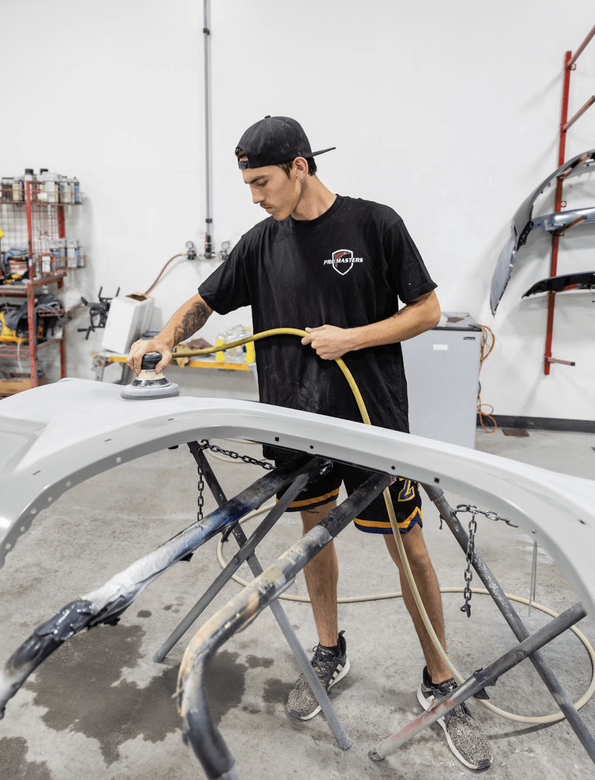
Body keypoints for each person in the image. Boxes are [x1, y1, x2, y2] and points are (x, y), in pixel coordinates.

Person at [127, 115, 492, 771]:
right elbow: (206, 302)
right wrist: (163, 341)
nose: (256, 195)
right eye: (247, 183)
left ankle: (440, 675)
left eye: (262, 181)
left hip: (371, 421)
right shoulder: (261, 242)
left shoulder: (374, 224)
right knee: (313, 535)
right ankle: (329, 648)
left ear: (300, 167)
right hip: (294, 422)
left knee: (408, 546)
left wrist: (351, 338)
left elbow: (428, 310)